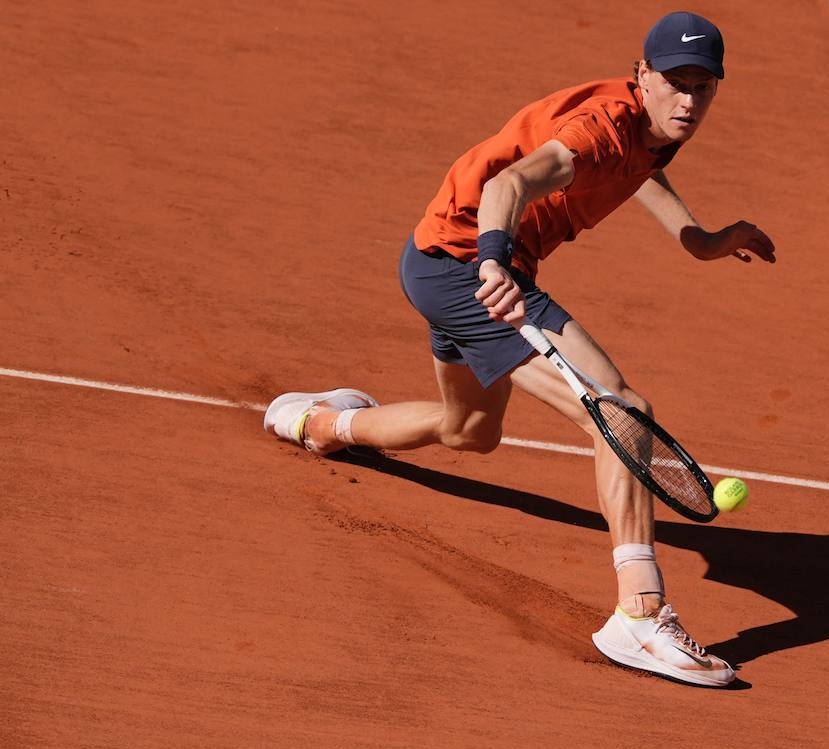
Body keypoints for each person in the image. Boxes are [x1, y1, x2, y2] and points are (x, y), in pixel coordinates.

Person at [263, 11, 774, 688]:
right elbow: (509, 186)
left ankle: (320, 423)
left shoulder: (650, 128)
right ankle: (640, 614)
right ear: (641, 74)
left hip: (442, 261)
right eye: (675, 81)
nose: (688, 99)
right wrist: (496, 263)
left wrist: (701, 240)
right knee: (619, 410)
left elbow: (638, 170)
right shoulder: (596, 130)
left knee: (469, 430)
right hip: (470, 266)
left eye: (702, 87)